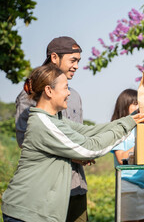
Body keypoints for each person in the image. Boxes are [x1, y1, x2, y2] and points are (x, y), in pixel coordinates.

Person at [2, 64, 144, 222]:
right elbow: (90, 148)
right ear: (49, 90)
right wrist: (128, 124)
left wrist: (133, 118)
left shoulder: (55, 119)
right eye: (66, 88)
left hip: (35, 214)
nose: (68, 93)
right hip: (27, 212)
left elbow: (88, 131)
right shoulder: (43, 124)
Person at [15, 36, 90, 221]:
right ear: (54, 58)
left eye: (78, 61)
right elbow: (27, 141)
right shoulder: (30, 95)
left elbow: (79, 135)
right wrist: (74, 154)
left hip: (76, 188)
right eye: (73, 60)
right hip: (46, 191)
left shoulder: (75, 96)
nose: (76, 66)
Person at [110, 89, 144, 222]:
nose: (140, 107)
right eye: (136, 104)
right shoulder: (118, 130)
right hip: (129, 186)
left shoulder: (143, 128)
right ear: (124, 106)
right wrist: (142, 141)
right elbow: (122, 158)